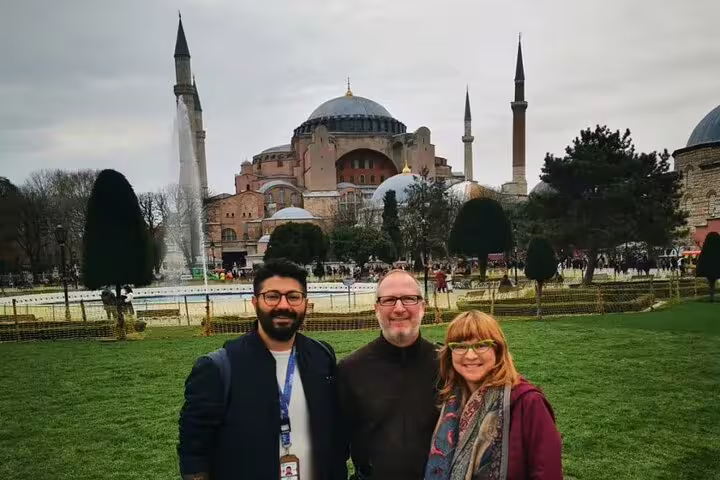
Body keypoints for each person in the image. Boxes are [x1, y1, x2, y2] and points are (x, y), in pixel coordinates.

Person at [178, 259, 347, 480]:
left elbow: (335, 436)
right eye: (273, 296)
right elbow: (194, 452)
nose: (284, 305)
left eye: (293, 297)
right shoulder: (218, 368)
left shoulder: (322, 356)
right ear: (255, 302)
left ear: (305, 302)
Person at [425, 311, 562, 480]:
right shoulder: (449, 401)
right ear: (450, 353)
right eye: (460, 346)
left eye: (481, 345)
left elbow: (548, 473)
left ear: (498, 350)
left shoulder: (527, 402)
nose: (470, 355)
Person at [338, 269, 439, 479]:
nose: (399, 308)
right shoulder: (350, 369)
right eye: (389, 300)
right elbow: (334, 447)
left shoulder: (447, 365)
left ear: (422, 307)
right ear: (376, 309)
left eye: (409, 299)